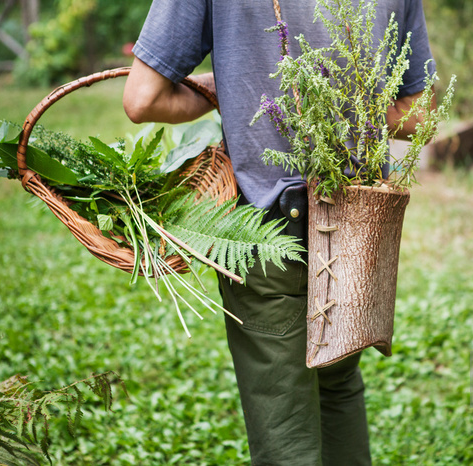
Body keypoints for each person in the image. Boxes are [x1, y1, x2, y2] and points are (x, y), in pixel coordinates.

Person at [123, 1, 435, 464]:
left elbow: (142, 98)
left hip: (267, 226)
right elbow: (420, 113)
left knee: (284, 428)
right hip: (360, 221)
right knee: (339, 386)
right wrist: (346, 102)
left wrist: (231, 88)